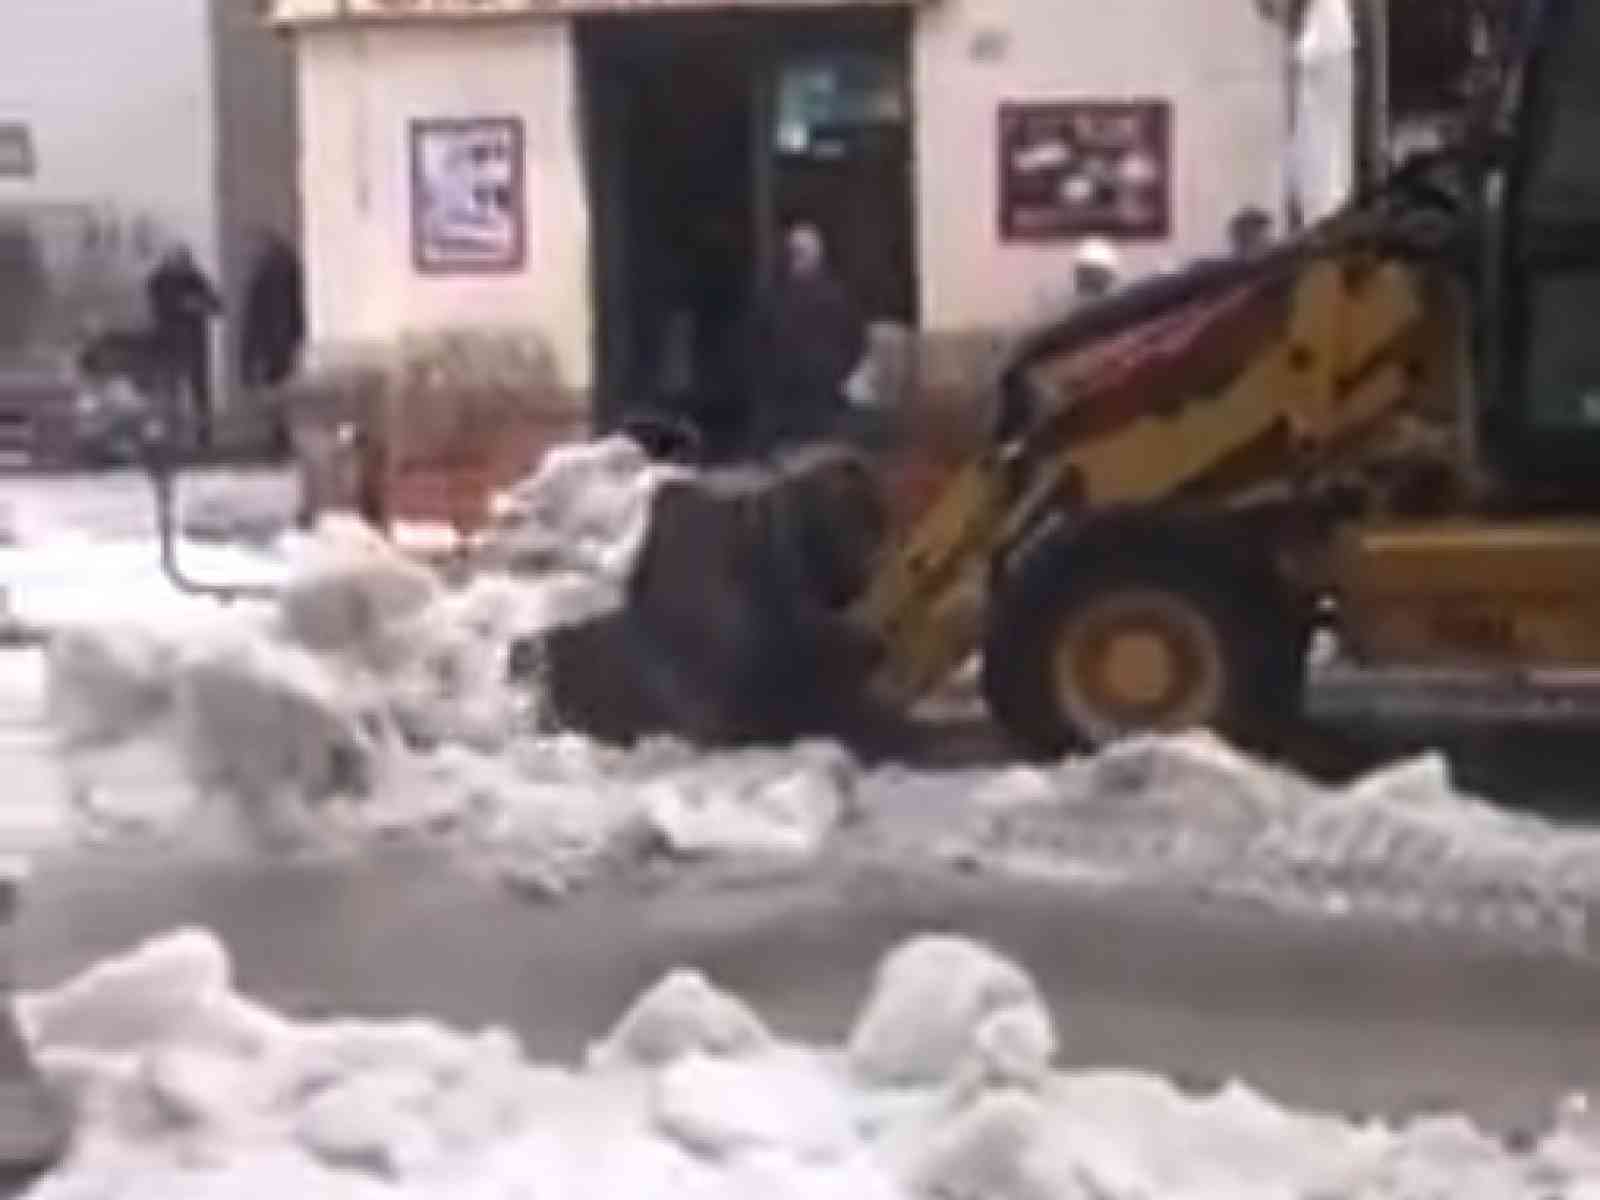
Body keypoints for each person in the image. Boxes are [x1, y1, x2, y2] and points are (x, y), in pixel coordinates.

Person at [750, 223, 866, 452]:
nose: (795, 259)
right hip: (793, 397)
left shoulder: (833, 297)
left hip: (813, 396)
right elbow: (759, 341)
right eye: (794, 252)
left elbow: (855, 340)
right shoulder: (777, 297)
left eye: (799, 253)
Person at [146, 244, 221, 449]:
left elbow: (216, 305)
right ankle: (173, 435)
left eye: (183, 260)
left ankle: (203, 434)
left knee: (199, 391)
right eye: (177, 260)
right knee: (171, 390)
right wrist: (187, 305)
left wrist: (198, 304)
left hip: (195, 343)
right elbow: (162, 306)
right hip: (169, 342)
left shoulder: (196, 279)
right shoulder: (159, 281)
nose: (181, 264)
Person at [240, 230, 305, 391]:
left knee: (274, 383)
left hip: (274, 340)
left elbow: (254, 318)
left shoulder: (263, 277)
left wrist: (247, 361)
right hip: (281, 339)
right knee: (279, 381)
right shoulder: (287, 271)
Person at [1072, 238, 1122, 302]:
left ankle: (1089, 287)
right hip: (1093, 269)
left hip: (1088, 268)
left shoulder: (1087, 249)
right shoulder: (1105, 252)